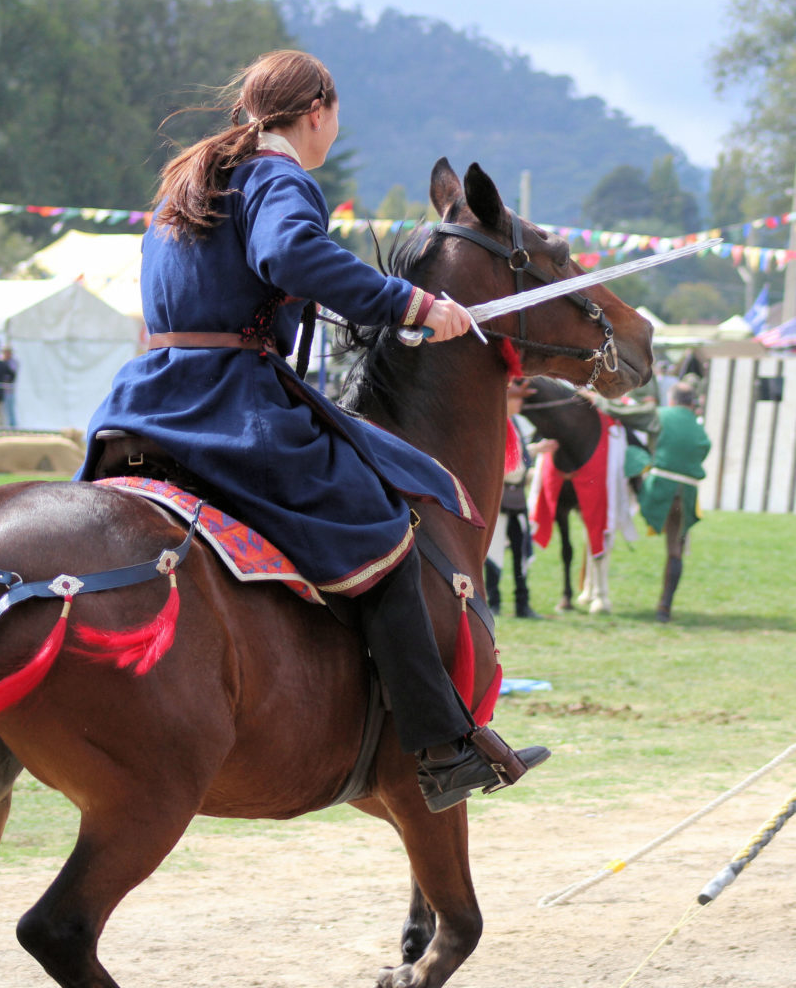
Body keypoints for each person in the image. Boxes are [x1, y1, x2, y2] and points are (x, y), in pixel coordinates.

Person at [77, 49, 548, 812]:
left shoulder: (186, 181)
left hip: (145, 402)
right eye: (334, 118)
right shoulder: (278, 176)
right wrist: (414, 306)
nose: (331, 132)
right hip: (231, 408)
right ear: (316, 111)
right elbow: (288, 253)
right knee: (387, 535)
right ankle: (438, 748)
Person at [638, 382, 711, 622]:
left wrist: (598, 401)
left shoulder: (660, 414)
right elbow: (704, 448)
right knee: (675, 551)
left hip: (657, 490)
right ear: (692, 402)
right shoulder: (698, 426)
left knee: (631, 457)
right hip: (686, 495)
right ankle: (664, 608)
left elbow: (624, 415)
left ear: (672, 400)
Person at [484, 381, 557, 619]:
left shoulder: (514, 423)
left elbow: (519, 456)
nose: (521, 403)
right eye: (517, 398)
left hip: (517, 498)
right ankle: (493, 602)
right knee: (494, 553)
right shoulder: (496, 424)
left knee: (521, 553)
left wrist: (536, 450)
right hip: (501, 498)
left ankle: (522, 604)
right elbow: (507, 464)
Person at [0, 346, 19, 427]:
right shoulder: (1, 362)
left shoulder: (13, 363)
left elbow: (11, 375)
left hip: (9, 391)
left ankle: (12, 427)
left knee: (10, 410)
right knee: (1, 411)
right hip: (1, 391)